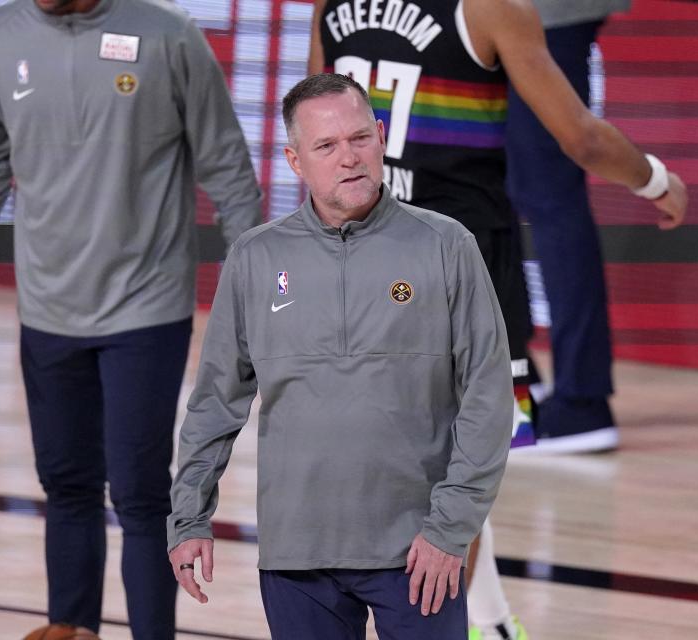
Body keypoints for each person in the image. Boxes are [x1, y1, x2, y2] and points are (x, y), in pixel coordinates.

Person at [308, 0, 686, 637]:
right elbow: (582, 138)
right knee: (463, 477)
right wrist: (654, 179)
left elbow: (309, 127)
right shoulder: (494, 10)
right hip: (465, 271)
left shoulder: (334, 4)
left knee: (418, 474)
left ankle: (490, 624)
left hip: (357, 257)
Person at [0, 0, 261, 638]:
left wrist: (257, 288)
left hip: (147, 307)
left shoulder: (170, 37)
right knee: (66, 483)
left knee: (139, 492)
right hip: (48, 310)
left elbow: (226, 165)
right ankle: (72, 628)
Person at [167, 73, 516, 640]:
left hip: (418, 553)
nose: (348, 158)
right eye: (326, 146)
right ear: (295, 160)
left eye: (358, 138)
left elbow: (488, 395)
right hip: (296, 556)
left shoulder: (447, 246)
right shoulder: (255, 259)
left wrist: (451, 530)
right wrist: (189, 518)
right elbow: (214, 404)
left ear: (381, 136)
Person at [504, 0, 633, 454]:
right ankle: (518, 377)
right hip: (500, 12)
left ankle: (582, 402)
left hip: (541, 11)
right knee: (493, 181)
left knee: (548, 189)